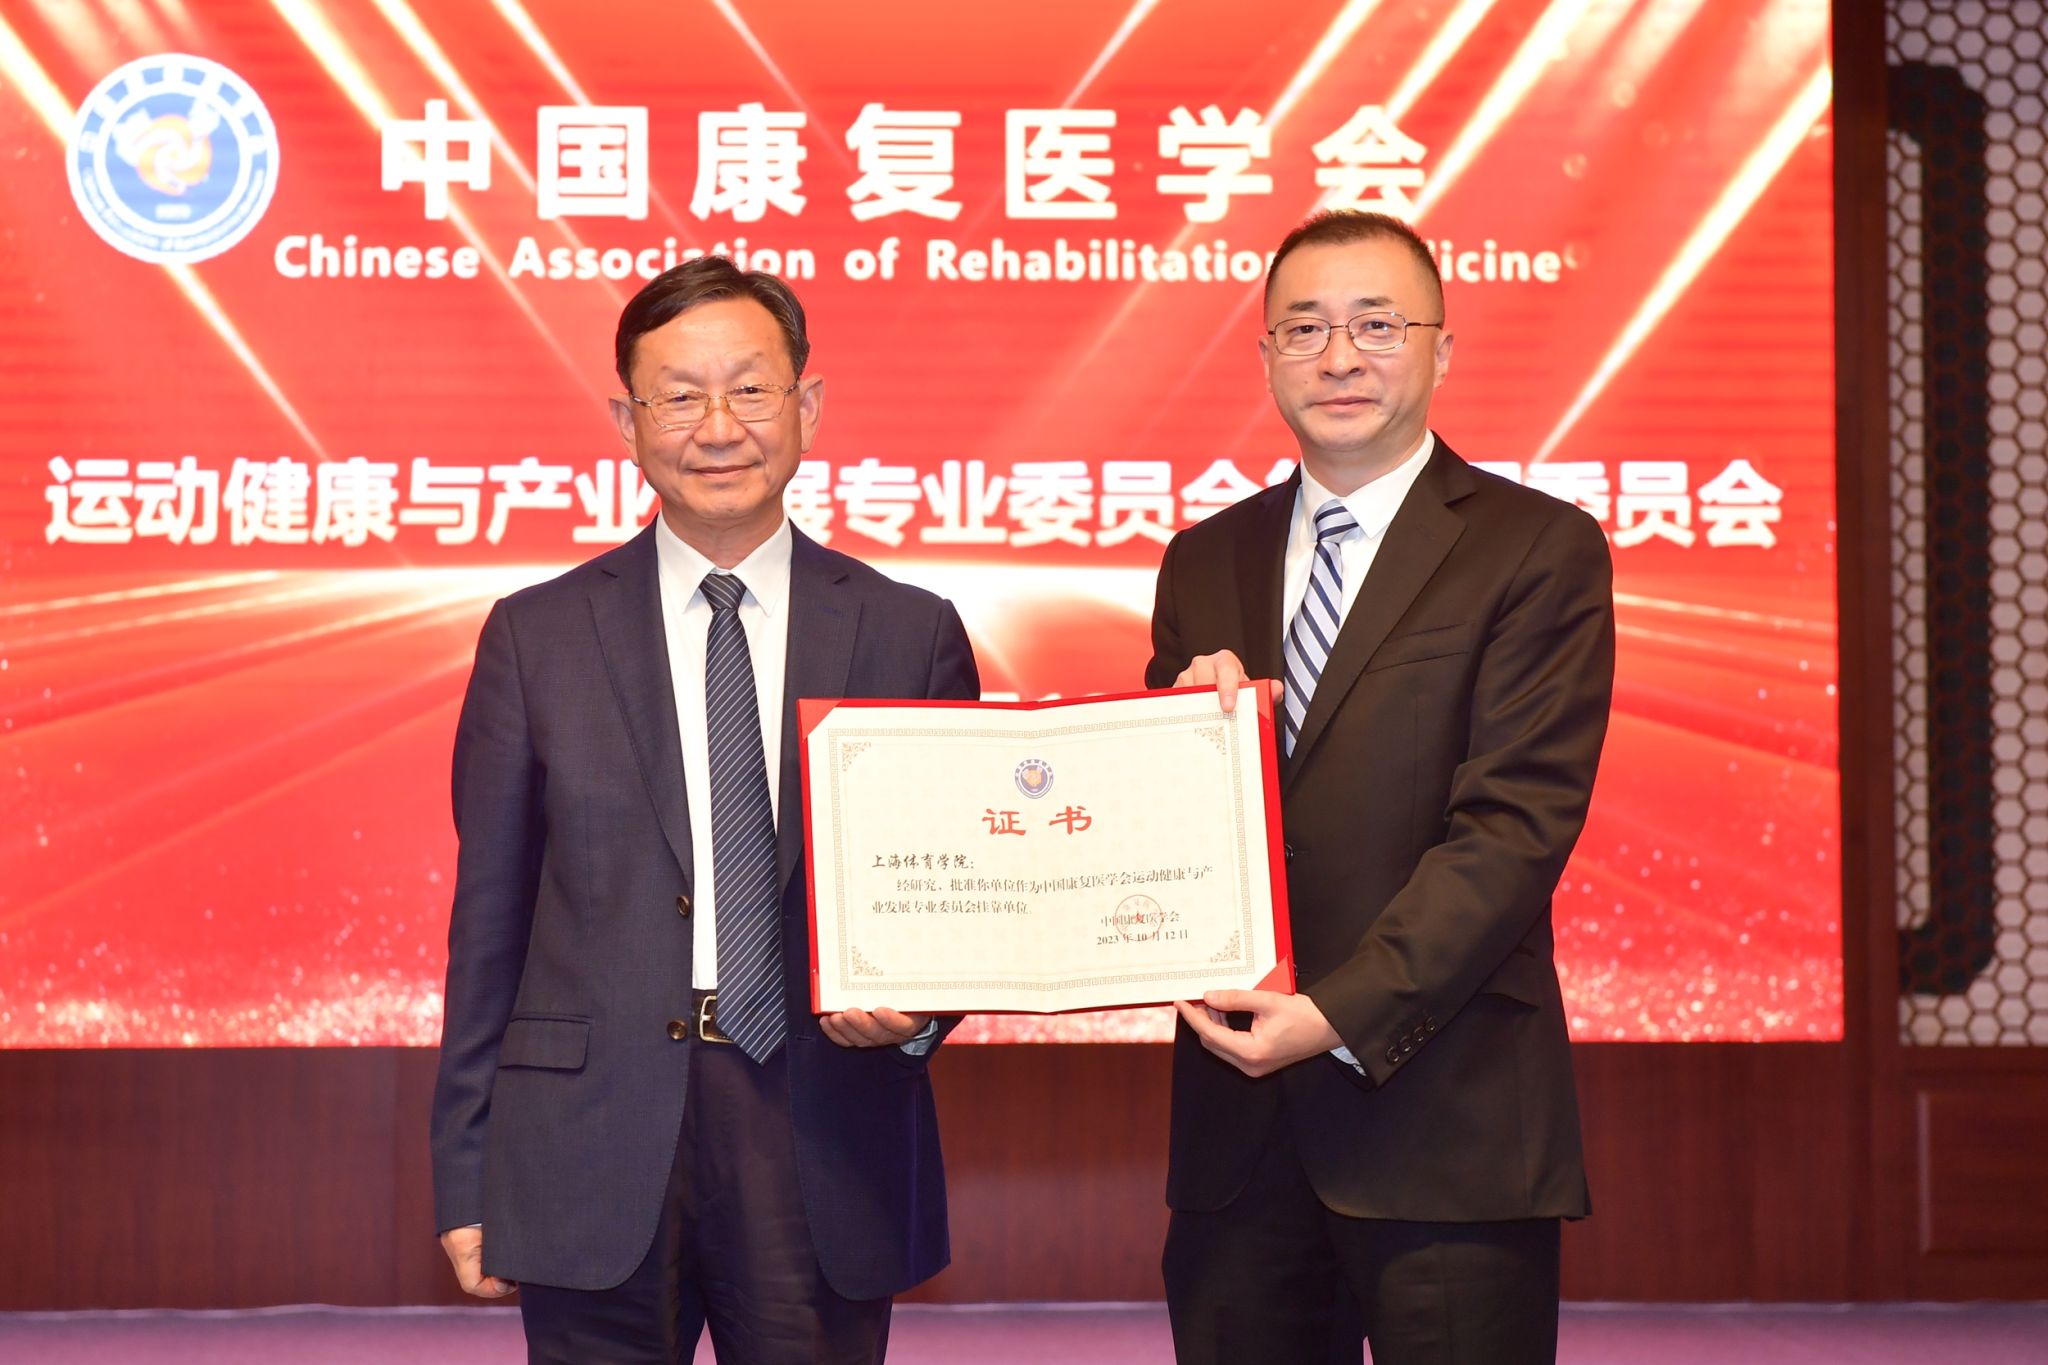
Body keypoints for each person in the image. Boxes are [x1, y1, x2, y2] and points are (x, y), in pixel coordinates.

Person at [430, 257, 978, 1364]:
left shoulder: (907, 631)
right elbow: (489, 927)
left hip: (821, 1123)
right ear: (626, 422)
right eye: (679, 396)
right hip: (589, 1135)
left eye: (750, 389)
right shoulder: (536, 636)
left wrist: (921, 1012)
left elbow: (962, 890)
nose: (718, 427)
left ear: (807, 406)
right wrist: (467, 1167)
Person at [1147, 210, 1615, 1364]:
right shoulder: (1202, 559)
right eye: (1303, 329)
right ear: (1264, 357)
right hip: (1238, 1136)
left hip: (1444, 1122)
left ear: (1440, 349)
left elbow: (1511, 829)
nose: (1338, 357)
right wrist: (1169, 737)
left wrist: (1336, 1015)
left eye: (1375, 325)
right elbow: (1168, 837)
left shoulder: (1534, 548)